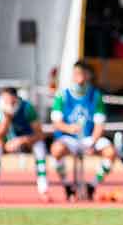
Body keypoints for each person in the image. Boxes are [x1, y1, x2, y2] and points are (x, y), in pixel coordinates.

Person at [49, 60, 117, 201]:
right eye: (77, 73)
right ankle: (67, 185)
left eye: (83, 73)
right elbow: (56, 123)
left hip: (89, 137)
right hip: (69, 138)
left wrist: (93, 142)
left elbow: (99, 124)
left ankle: (92, 185)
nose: (79, 76)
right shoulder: (62, 95)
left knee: (110, 152)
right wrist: (69, 128)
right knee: (56, 150)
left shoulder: (95, 96)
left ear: (88, 76)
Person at [0, 88, 50, 202]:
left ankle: (43, 189)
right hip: (2, 140)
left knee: (40, 146)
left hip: (25, 141)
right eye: (6, 101)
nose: (9, 104)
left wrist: (21, 140)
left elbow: (40, 134)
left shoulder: (26, 107)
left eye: (12, 102)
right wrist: (7, 119)